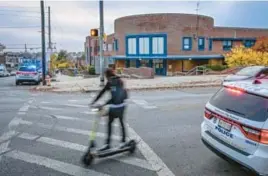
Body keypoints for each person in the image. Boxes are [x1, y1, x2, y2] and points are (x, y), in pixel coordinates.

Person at [90, 68, 128, 151]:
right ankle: (122, 142)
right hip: (119, 106)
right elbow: (103, 92)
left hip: (117, 106)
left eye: (106, 76)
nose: (106, 78)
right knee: (120, 123)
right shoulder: (117, 81)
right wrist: (95, 102)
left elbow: (112, 96)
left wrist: (98, 103)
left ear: (107, 75)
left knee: (111, 124)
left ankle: (109, 144)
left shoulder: (113, 82)